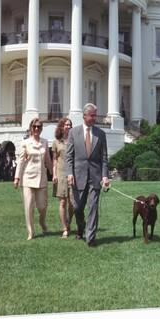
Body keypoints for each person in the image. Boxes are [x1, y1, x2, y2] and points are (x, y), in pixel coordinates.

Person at [65, 103, 109, 247]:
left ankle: (91, 237)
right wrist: (69, 173)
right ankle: (81, 226)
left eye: (95, 115)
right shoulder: (73, 133)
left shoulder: (101, 134)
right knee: (77, 207)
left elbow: (104, 158)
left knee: (93, 207)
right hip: (78, 177)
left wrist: (105, 176)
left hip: (95, 177)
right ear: (84, 116)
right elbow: (69, 156)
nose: (94, 118)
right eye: (92, 115)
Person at [14, 118, 53, 240]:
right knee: (29, 206)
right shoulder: (25, 143)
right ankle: (30, 231)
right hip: (28, 178)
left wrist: (53, 173)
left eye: (39, 127)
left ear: (41, 129)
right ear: (31, 128)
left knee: (42, 206)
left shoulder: (45, 142)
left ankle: (42, 222)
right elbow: (20, 161)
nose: (37, 129)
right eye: (35, 126)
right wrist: (17, 177)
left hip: (42, 178)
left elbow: (47, 160)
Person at [52, 118, 74, 238]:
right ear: (61, 127)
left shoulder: (74, 141)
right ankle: (64, 228)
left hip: (72, 174)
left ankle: (69, 221)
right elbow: (54, 160)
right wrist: (54, 174)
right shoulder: (56, 142)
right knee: (62, 202)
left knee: (72, 203)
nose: (68, 127)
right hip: (60, 174)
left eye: (70, 125)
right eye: (66, 125)